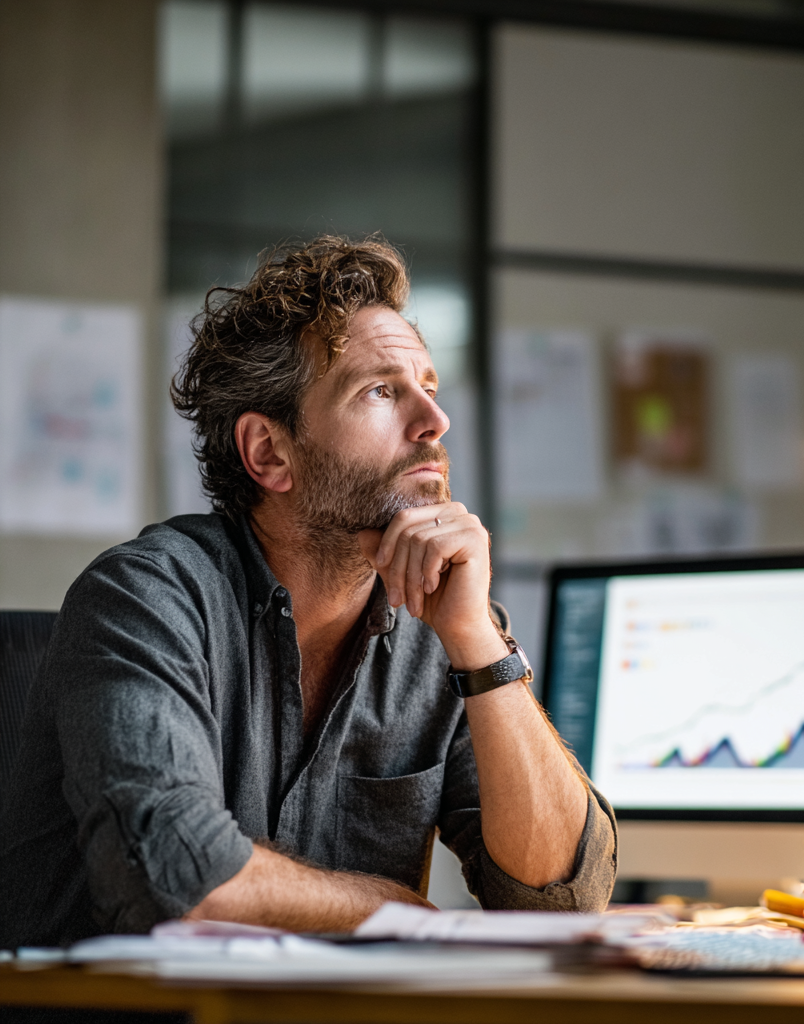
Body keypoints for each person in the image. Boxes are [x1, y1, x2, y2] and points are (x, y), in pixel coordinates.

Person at [0, 237, 617, 947]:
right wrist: (386, 907)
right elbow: (176, 877)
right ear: (269, 453)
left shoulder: (442, 629)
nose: (434, 422)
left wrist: (479, 644)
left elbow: (565, 907)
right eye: (382, 391)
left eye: (429, 387)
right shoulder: (145, 598)